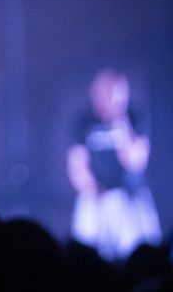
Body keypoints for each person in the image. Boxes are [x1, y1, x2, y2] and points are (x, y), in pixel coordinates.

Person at [67, 68, 161, 261]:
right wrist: (93, 190)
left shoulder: (134, 117)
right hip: (95, 198)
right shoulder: (84, 121)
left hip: (129, 197)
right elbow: (77, 163)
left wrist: (121, 125)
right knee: (85, 252)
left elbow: (135, 162)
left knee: (137, 252)